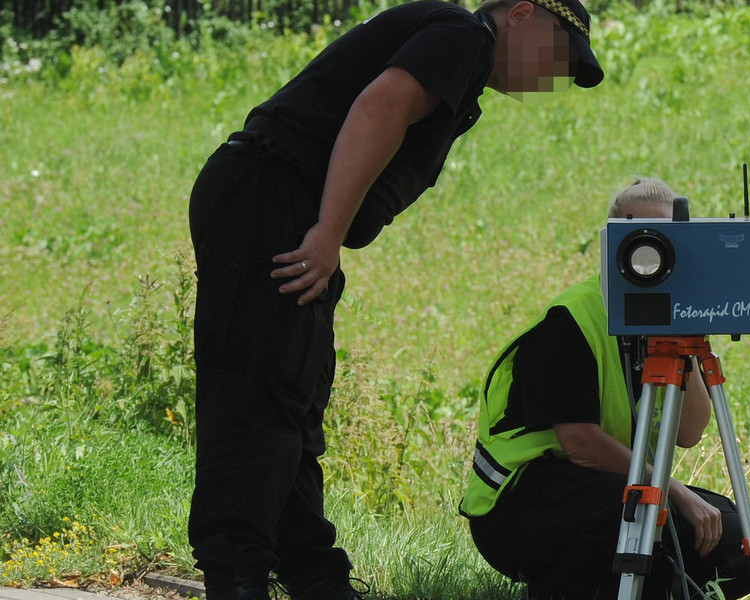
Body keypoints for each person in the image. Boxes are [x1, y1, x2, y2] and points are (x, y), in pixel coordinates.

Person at [186, 1, 603, 599]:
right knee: (258, 398)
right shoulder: (465, 37)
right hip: (273, 198)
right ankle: (237, 575)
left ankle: (314, 577)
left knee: (292, 405)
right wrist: (328, 233)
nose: (554, 77)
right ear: (522, 14)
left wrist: (326, 229)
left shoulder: (463, 57)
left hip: (282, 203)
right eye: (560, 55)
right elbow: (379, 106)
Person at [460, 178, 750, 599]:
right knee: (644, 512)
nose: (653, 253)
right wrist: (674, 492)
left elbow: (689, 432)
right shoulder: (570, 321)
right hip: (519, 506)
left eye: (668, 240)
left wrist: (691, 331)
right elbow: (581, 445)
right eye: (639, 239)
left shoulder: (668, 321)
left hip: (615, 490)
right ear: (612, 246)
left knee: (744, 544)